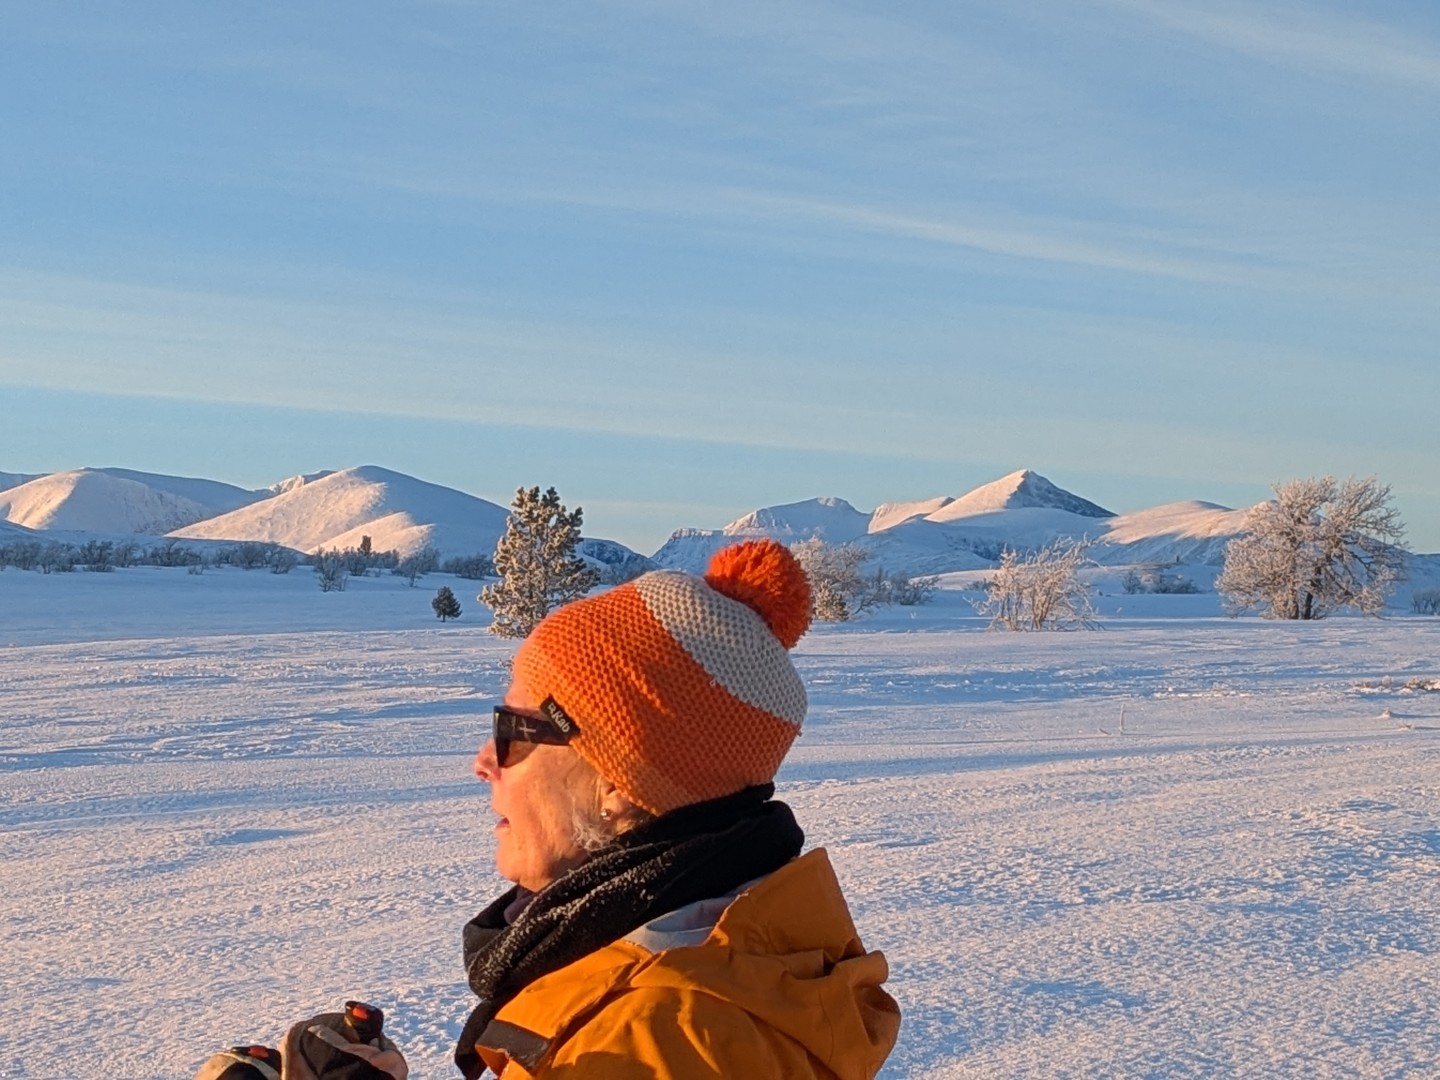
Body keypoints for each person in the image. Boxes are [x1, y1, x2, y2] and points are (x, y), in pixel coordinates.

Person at [197, 538, 899, 1080]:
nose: (483, 761)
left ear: (618, 781)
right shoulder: (731, 959)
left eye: (513, 731)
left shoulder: (654, 1040)